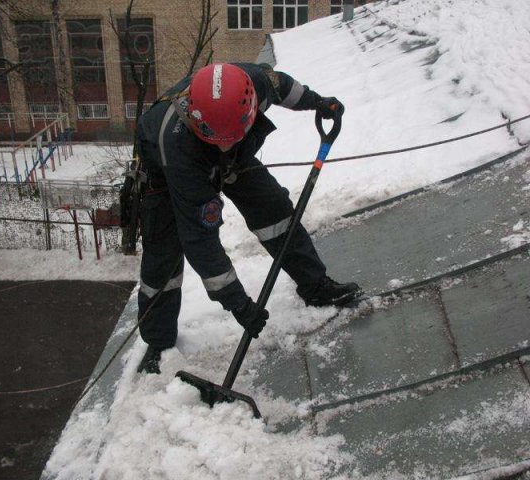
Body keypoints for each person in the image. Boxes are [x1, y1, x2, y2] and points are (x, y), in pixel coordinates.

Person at [135, 62, 361, 374]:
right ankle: (158, 342)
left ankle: (315, 286)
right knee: (164, 260)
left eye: (230, 137)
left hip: (229, 158)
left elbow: (285, 87)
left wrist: (318, 102)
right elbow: (200, 239)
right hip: (164, 176)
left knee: (275, 212)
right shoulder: (177, 147)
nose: (224, 144)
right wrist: (238, 303)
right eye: (219, 140)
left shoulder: (255, 83)